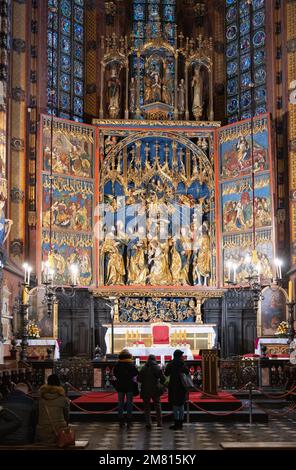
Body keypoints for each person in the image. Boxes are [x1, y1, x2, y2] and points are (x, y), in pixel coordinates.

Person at [36, 374, 70, 444]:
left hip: (43, 431)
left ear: (47, 382)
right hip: (60, 431)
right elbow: (67, 415)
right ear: (58, 383)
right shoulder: (63, 399)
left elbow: (36, 414)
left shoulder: (40, 399)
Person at [138, 354, 166, 429]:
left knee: (146, 406)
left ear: (148, 359)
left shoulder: (143, 368)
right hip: (155, 389)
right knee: (157, 405)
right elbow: (163, 379)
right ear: (154, 360)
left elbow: (139, 379)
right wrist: (161, 385)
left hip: (145, 389)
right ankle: (159, 422)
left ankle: (148, 423)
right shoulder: (157, 368)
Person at [113, 349, 138, 427]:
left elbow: (115, 373)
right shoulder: (131, 364)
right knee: (129, 403)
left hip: (120, 385)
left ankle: (121, 421)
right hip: (129, 385)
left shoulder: (117, 364)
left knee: (120, 403)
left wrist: (121, 377)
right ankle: (129, 421)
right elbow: (135, 373)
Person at [165, 349, 189, 430]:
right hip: (182, 386)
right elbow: (187, 372)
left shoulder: (171, 363)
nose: (182, 356)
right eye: (181, 355)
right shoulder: (182, 363)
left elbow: (166, 373)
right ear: (179, 356)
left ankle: (176, 423)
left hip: (173, 386)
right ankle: (181, 424)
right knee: (181, 405)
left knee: (175, 405)